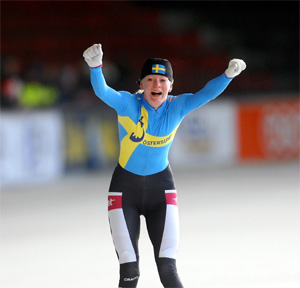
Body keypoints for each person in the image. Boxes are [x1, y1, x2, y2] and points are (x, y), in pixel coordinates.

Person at [83, 43, 246, 288]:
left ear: (171, 86)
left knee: (168, 269)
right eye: (150, 79)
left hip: (162, 190)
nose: (156, 85)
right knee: (129, 269)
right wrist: (96, 68)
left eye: (162, 80)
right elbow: (104, 92)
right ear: (141, 85)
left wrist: (227, 76)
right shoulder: (128, 104)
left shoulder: (177, 106)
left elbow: (206, 94)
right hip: (124, 190)